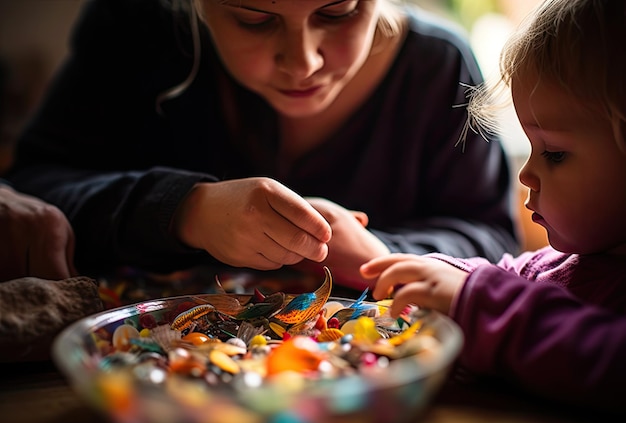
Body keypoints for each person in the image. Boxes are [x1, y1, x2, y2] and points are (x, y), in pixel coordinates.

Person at [5, 0, 519, 290]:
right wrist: (185, 210)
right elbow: (32, 187)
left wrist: (380, 254)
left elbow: (493, 237)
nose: (303, 64)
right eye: (254, 19)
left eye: (338, 12)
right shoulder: (137, 28)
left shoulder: (438, 66)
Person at [361, 0, 626, 414]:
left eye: (554, 153)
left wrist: (477, 301)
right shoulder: (564, 262)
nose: (526, 174)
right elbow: (507, 279)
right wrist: (444, 277)